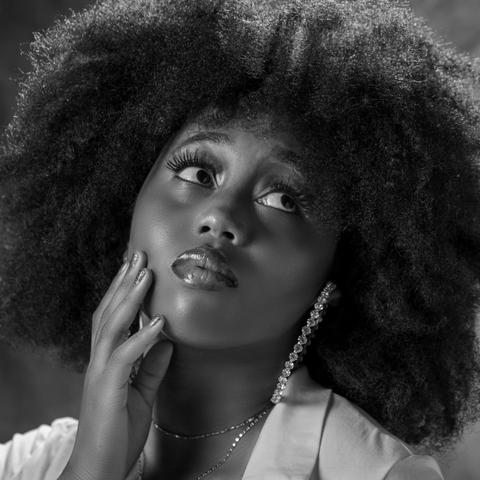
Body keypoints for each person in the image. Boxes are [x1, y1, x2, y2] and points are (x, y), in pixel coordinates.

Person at [1, 0, 479, 478]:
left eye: (283, 200)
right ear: (126, 201)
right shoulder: (25, 465)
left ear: (338, 275)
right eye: (198, 172)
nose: (220, 216)